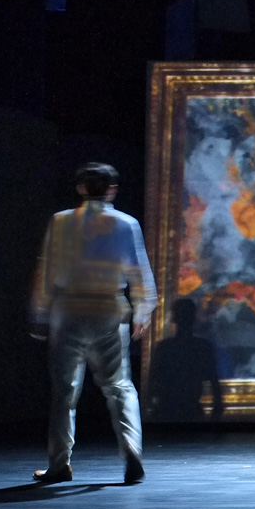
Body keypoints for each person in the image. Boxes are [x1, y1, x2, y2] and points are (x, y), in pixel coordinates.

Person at [29, 163, 156, 484]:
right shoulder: (126, 223)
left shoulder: (60, 221)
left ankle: (59, 463)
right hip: (108, 309)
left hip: (68, 310)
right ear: (112, 190)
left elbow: (46, 271)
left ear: (81, 188)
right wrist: (142, 312)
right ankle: (131, 450)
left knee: (65, 392)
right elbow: (139, 272)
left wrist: (40, 314)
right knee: (119, 386)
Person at [145, 298, 225, 422]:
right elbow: (215, 384)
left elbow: (152, 383)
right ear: (194, 318)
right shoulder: (202, 347)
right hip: (188, 412)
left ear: (174, 318)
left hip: (167, 412)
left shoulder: (165, 347)